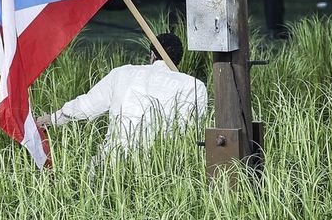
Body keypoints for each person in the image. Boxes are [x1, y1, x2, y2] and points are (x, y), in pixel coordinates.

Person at [33, 32, 206, 160]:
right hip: (162, 168)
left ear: (152, 55)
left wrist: (50, 119)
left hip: (111, 163)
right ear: (179, 60)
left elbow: (84, 108)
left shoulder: (122, 74)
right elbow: (190, 133)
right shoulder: (194, 86)